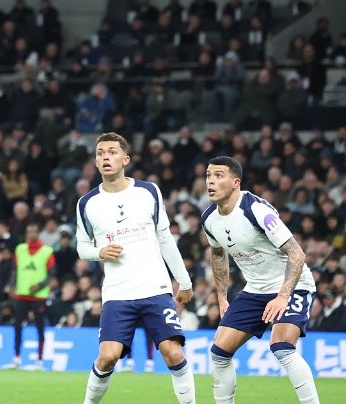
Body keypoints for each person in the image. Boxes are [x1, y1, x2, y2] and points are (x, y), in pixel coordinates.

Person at [76, 132, 195, 404]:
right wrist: (99, 252)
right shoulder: (87, 203)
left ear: (125, 158)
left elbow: (164, 237)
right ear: (96, 162)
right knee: (107, 357)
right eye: (100, 153)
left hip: (154, 287)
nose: (106, 157)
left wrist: (184, 282)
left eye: (112, 152)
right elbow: (82, 247)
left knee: (174, 354)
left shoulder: (148, 191)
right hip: (117, 292)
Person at [201, 156, 320, 404]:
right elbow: (218, 254)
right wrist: (222, 297)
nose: (211, 181)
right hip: (255, 289)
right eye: (208, 176)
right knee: (219, 352)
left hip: (293, 285)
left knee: (282, 346)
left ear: (236, 182)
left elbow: (296, 253)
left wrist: (283, 297)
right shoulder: (209, 219)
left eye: (218, 176)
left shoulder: (256, 210)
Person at [3, 223, 55, 370]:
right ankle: (17, 358)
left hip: (38, 295)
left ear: (38, 233)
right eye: (29, 231)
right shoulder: (20, 250)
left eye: (34, 231)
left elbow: (52, 274)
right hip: (22, 294)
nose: (31, 234)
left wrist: (39, 285)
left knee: (40, 326)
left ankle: (39, 361)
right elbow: (15, 270)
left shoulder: (47, 251)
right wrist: (12, 285)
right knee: (17, 325)